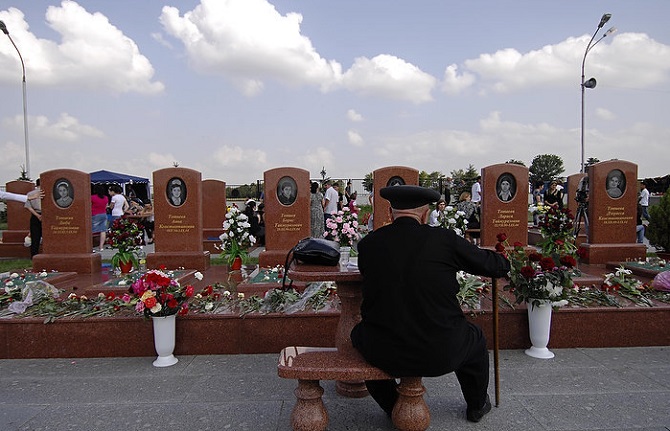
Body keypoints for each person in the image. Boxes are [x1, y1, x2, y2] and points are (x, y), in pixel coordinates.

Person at [350, 185, 510, 423]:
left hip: (383, 349)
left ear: (389, 211)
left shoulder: (369, 244)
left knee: (358, 336)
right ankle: (476, 405)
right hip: (442, 349)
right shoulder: (444, 240)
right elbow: (496, 267)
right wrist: (497, 257)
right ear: (425, 214)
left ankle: (393, 405)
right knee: (474, 338)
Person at [24, 179, 43, 258]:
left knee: (35, 236)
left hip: (35, 215)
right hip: (46, 215)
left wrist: (37, 215)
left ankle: (34, 256)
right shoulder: (46, 193)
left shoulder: (30, 194)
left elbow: (28, 207)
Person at [91, 184, 108, 252]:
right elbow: (106, 206)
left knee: (92, 231)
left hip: (95, 214)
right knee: (103, 230)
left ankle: (91, 246)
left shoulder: (92, 197)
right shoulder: (106, 198)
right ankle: (101, 247)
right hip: (103, 214)